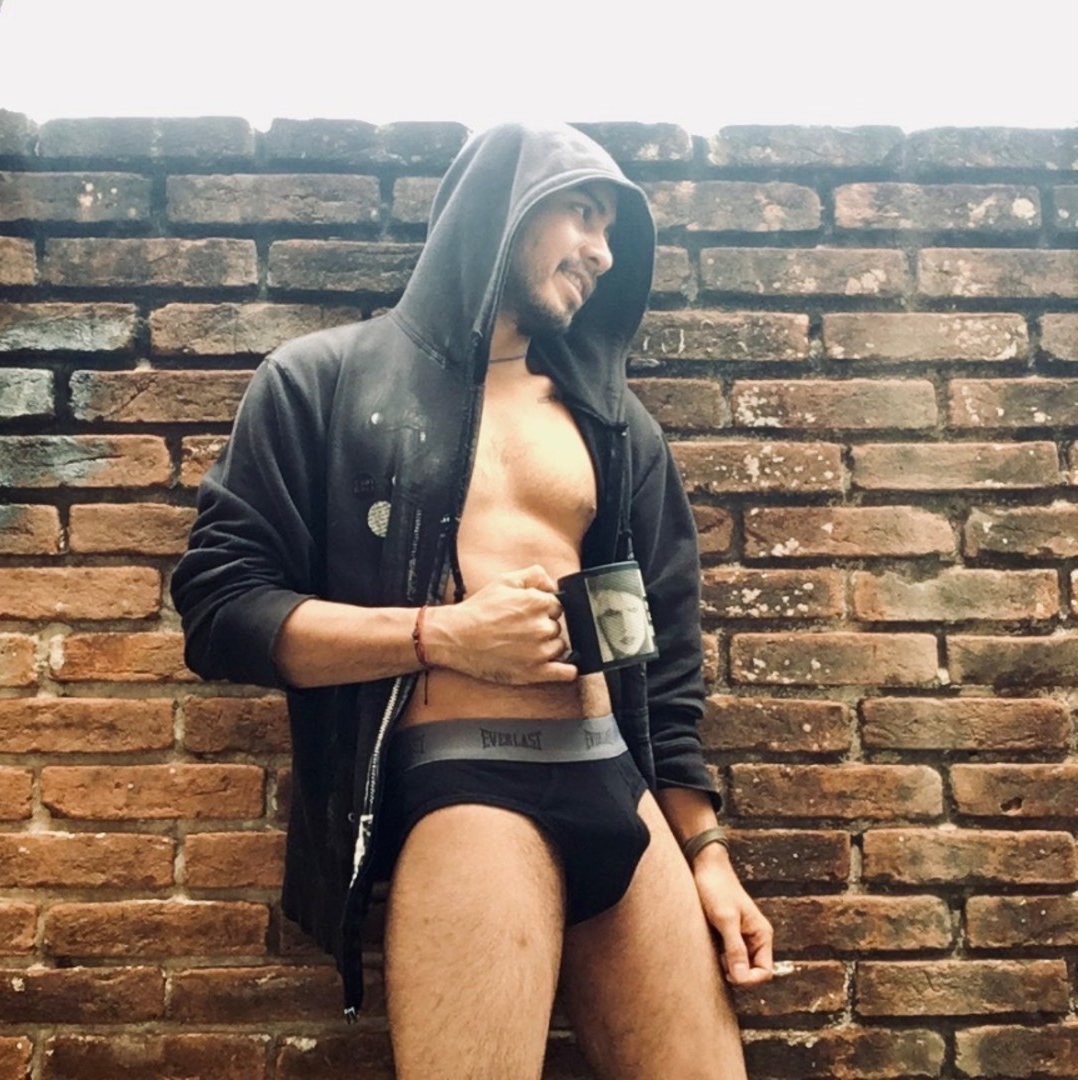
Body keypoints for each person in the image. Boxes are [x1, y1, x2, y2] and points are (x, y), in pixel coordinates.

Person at [172, 122, 773, 1079]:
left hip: (616, 782)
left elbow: (665, 660)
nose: (603, 252)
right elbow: (223, 610)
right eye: (583, 214)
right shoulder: (321, 382)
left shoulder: (615, 426)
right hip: (465, 782)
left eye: (613, 231)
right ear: (507, 204)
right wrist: (442, 636)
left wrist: (704, 850)